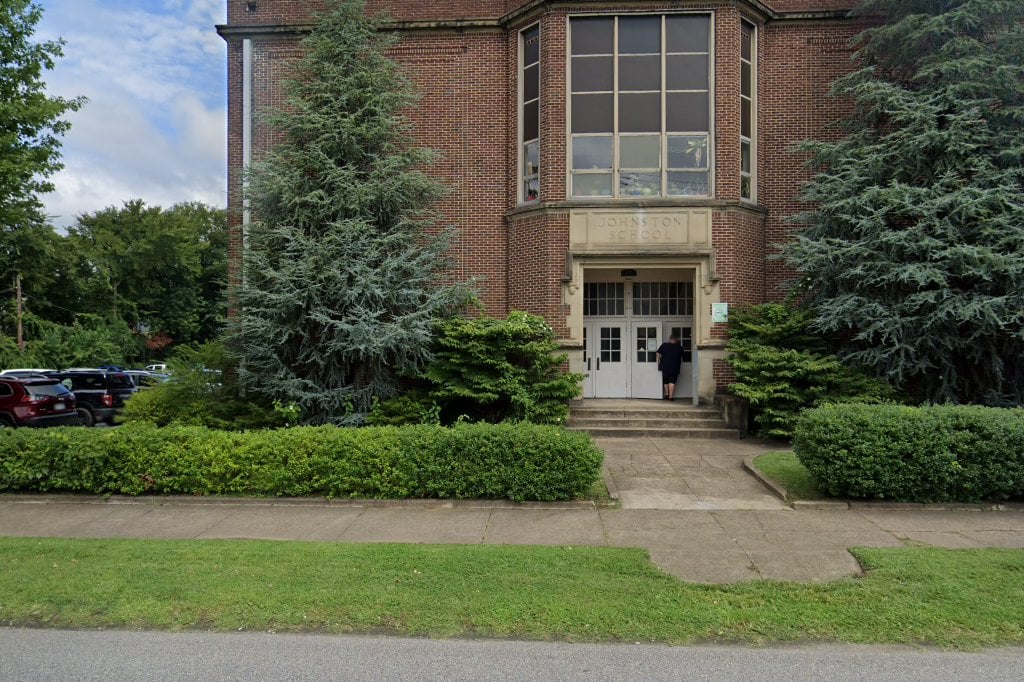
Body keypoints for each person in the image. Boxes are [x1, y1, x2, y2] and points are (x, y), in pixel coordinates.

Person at [656, 334, 684, 401]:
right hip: (675, 366)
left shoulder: (664, 345)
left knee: (665, 380)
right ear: (676, 340)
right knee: (672, 381)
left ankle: (666, 394)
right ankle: (670, 397)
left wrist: (659, 359)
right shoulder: (679, 347)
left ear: (670, 339)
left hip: (665, 366)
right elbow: (683, 355)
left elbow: (657, 353)